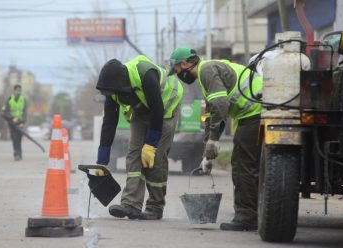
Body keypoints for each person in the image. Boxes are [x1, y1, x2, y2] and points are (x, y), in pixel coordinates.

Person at [168, 46, 262, 231]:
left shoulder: (206, 70)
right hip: (255, 111)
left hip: (254, 112)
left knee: (243, 166)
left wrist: (215, 139)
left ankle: (247, 218)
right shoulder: (206, 74)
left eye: (177, 69)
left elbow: (220, 104)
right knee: (252, 165)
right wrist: (207, 151)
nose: (178, 74)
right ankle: (255, 214)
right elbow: (212, 113)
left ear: (186, 63)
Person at [95, 55, 183, 220]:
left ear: (121, 83)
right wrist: (103, 154)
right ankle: (131, 205)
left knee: (154, 160)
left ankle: (155, 206)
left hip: (165, 107)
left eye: (112, 92)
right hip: (142, 110)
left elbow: (157, 109)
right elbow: (109, 121)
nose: (112, 95)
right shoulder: (113, 87)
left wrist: (150, 144)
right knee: (134, 153)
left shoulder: (146, 73)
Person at [3, 84, 27, 161]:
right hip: (12, 122)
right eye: (17, 90)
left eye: (20, 90)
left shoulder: (23, 99)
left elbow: (25, 112)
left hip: (20, 122)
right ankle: (16, 153)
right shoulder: (10, 99)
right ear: (14, 90)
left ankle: (19, 153)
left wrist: (23, 122)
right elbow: (6, 111)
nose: (19, 92)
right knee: (14, 138)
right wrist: (12, 118)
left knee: (19, 138)